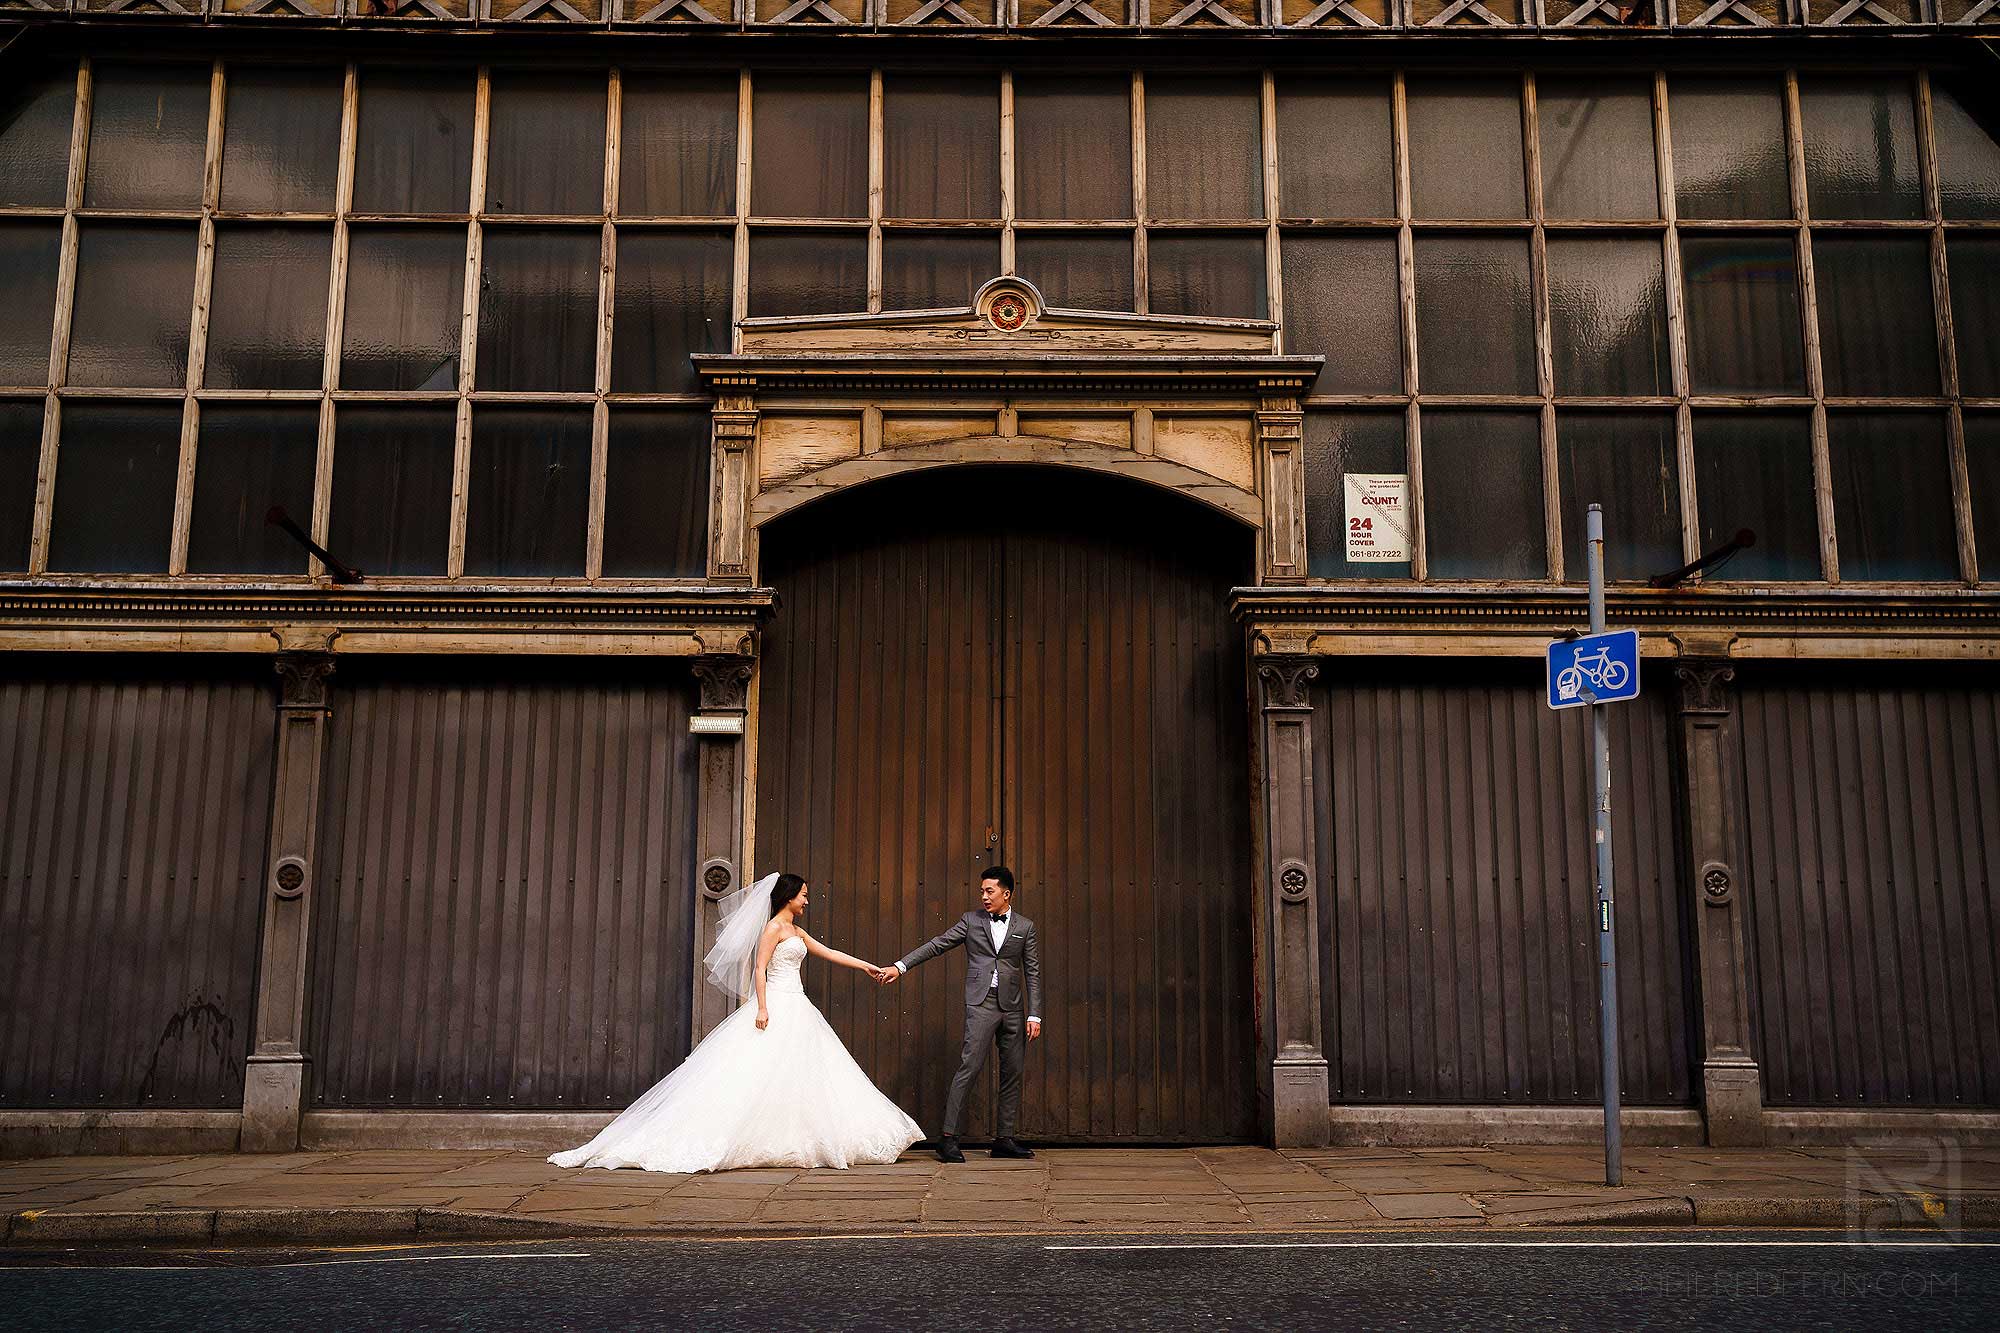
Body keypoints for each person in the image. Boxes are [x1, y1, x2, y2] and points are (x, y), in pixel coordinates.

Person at [548, 872, 920, 1173]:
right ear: (788, 897)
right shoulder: (774, 928)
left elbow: (829, 952)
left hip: (798, 1005)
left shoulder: (796, 930)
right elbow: (759, 968)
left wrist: (868, 967)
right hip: (777, 1002)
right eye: (803, 895)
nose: (807, 900)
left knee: (802, 1074)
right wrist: (761, 1007)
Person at [880, 865, 1042, 1163]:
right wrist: (900, 966)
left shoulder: (1025, 926)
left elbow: (1032, 971)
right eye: (982, 891)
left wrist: (1035, 1014)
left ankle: (1004, 1140)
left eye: (989, 891)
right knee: (969, 1066)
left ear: (1007, 894)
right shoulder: (970, 921)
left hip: (1014, 1008)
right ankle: (948, 1139)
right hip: (981, 1004)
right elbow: (937, 945)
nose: (983, 896)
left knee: (1013, 1072)